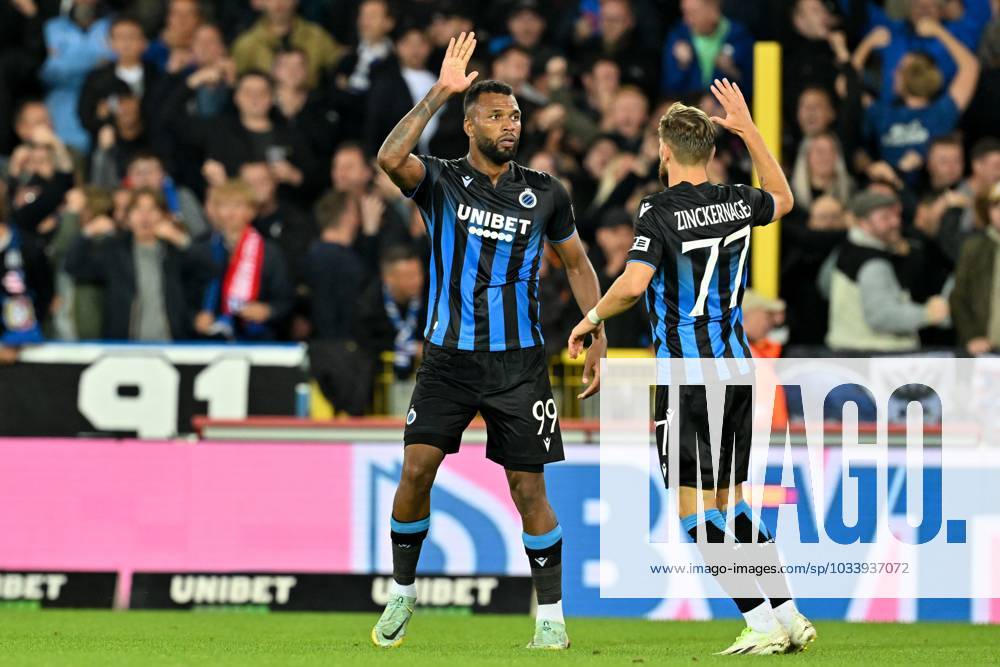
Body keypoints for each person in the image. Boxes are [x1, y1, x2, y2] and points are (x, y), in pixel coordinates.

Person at [370, 32, 606, 651]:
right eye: (497, 115)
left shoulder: (546, 192)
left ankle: (550, 617)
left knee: (530, 489)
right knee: (416, 469)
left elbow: (578, 264)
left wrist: (597, 326)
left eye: (516, 115)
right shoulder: (442, 181)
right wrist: (437, 94)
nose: (511, 123)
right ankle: (401, 591)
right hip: (447, 360)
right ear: (469, 124)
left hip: (519, 365)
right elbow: (389, 158)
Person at [567, 82, 815, 655]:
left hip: (687, 377)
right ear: (711, 149)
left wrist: (591, 317)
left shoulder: (658, 209)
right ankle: (789, 614)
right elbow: (784, 198)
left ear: (665, 151)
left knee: (691, 512)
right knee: (734, 502)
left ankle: (759, 624)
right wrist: (749, 129)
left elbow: (633, 284)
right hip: (736, 370)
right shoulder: (737, 198)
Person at [64, 188, 201, 340]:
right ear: (128, 217)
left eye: (152, 209)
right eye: (138, 209)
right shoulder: (114, 250)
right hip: (125, 345)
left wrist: (180, 239)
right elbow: (73, 267)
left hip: (173, 343)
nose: (145, 216)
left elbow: (208, 269)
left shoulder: (174, 252)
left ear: (163, 215)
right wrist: (87, 233)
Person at [826, 190, 950, 352]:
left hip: (846, 349)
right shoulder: (873, 262)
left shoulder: (844, 248)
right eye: (885, 218)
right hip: (874, 354)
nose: (895, 223)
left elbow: (825, 285)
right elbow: (881, 316)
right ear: (863, 223)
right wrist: (928, 314)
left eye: (896, 216)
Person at [190, 179, 293, 341]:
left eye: (237, 206)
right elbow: (184, 296)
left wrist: (267, 311)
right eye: (224, 206)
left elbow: (285, 300)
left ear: (252, 211)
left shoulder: (269, 251)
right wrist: (194, 318)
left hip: (257, 340)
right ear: (215, 211)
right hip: (207, 341)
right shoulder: (199, 249)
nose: (230, 213)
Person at [949, 183, 1000, 356]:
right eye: (996, 206)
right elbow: (958, 297)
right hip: (984, 351)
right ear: (987, 211)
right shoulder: (973, 247)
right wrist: (972, 336)